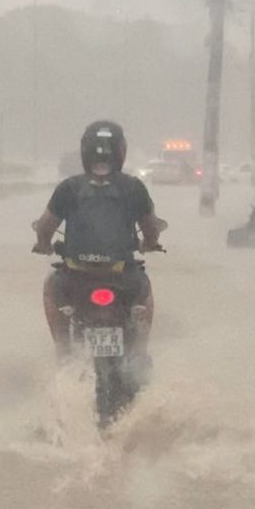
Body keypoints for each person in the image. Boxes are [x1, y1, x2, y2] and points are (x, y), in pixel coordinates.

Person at [32, 120, 164, 358]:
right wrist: (150, 244)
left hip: (74, 280)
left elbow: (44, 227)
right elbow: (151, 228)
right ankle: (139, 354)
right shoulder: (134, 188)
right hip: (123, 278)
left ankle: (63, 353)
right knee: (145, 293)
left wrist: (43, 245)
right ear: (121, 152)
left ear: (85, 152)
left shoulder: (68, 188)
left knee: (50, 290)